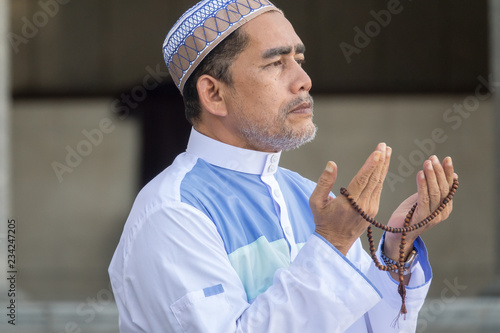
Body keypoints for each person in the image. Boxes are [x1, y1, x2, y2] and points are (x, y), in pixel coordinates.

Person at [108, 1, 457, 332]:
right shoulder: (173, 213)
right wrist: (332, 244)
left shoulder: (305, 195)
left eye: (299, 59)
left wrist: (399, 243)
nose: (302, 80)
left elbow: (365, 326)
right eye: (276, 63)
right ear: (214, 94)